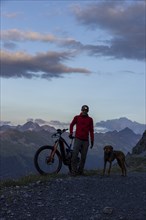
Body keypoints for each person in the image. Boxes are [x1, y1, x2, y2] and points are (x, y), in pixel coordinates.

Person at [69, 105, 94, 176]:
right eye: (83, 110)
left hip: (86, 140)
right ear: (81, 110)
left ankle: (80, 171)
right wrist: (71, 132)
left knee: (83, 157)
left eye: (86, 111)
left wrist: (92, 140)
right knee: (74, 155)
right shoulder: (77, 117)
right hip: (78, 139)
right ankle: (73, 172)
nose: (84, 112)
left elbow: (91, 131)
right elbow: (71, 125)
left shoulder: (90, 119)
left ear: (87, 111)